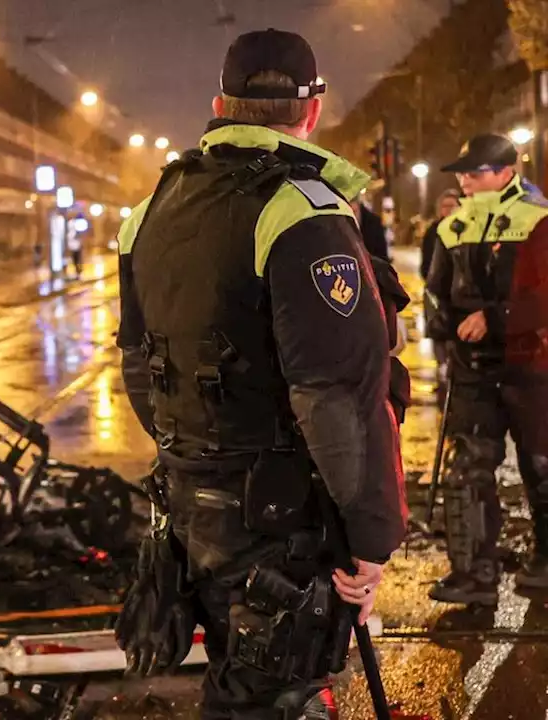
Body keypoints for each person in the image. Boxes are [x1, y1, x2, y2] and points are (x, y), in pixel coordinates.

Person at [113, 29, 407, 719]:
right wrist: (372, 539)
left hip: (194, 509)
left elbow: (135, 366)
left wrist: (197, 459)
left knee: (237, 674)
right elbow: (335, 398)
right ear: (312, 111)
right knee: (274, 695)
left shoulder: (147, 212)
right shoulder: (302, 212)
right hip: (281, 521)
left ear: (220, 102)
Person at [426, 133, 548, 602]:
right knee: (470, 469)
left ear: (505, 171)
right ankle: (474, 573)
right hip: (472, 368)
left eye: (475, 173)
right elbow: (437, 288)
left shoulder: (537, 220)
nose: (465, 180)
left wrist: (496, 320)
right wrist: (447, 328)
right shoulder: (451, 227)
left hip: (531, 366)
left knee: (541, 465)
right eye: (463, 173)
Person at [420, 189, 461, 278]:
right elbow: (426, 256)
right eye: (444, 206)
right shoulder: (433, 230)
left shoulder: (465, 228)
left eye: (451, 206)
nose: (448, 209)